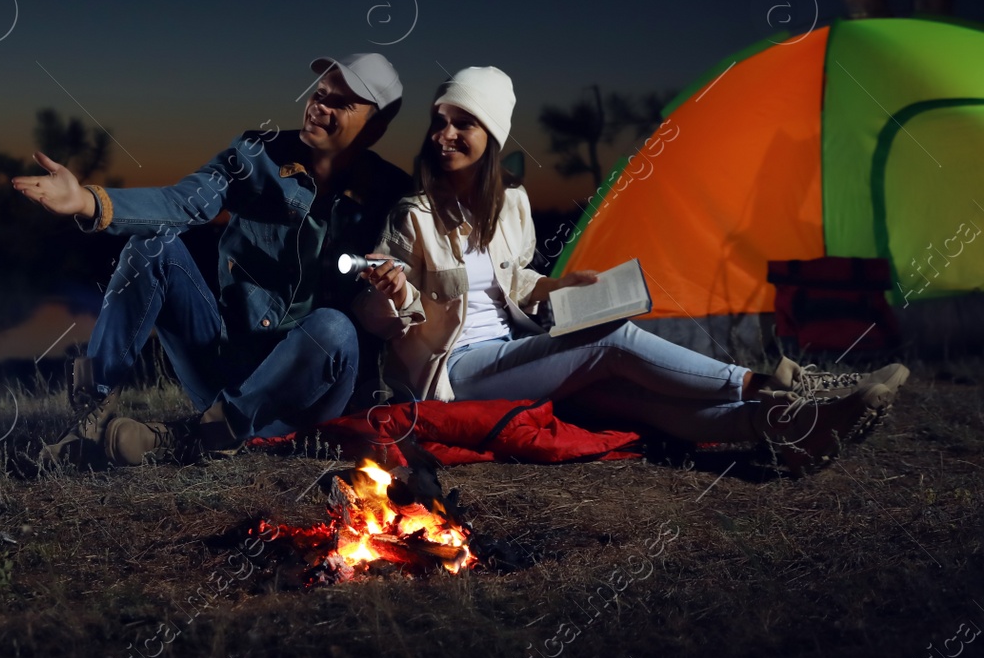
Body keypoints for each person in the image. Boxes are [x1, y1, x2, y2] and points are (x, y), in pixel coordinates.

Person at [351, 66, 908, 476]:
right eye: (440, 121)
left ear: (491, 136)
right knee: (613, 341)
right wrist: (392, 288)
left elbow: (511, 283)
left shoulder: (512, 205)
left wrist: (555, 286)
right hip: (457, 373)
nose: (443, 134)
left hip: (517, 352)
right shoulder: (413, 215)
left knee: (635, 396)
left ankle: (794, 430)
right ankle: (778, 383)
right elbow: (385, 312)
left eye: (462, 122)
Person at [12, 53, 412, 466]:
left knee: (334, 327)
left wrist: (398, 287)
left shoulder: (393, 193)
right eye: (320, 93)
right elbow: (182, 202)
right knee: (153, 247)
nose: (319, 106)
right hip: (227, 367)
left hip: (308, 395)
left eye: (341, 103)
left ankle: (204, 434)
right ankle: (87, 425)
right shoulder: (257, 155)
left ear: (377, 126)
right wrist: (88, 201)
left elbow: (419, 285)